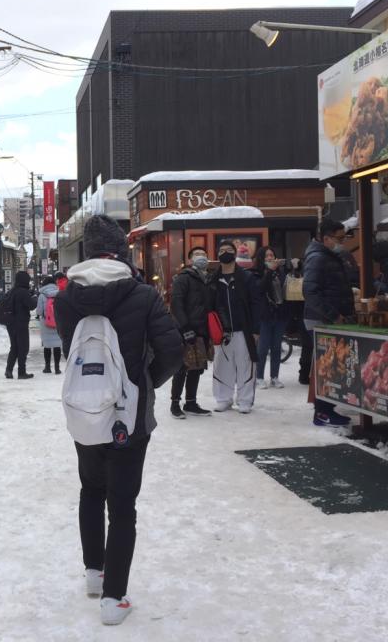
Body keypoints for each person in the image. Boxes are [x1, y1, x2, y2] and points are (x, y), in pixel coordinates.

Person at [54, 214, 183, 626]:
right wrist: (147, 383)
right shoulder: (142, 295)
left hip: (85, 410)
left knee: (90, 489)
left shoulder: (65, 297)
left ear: (87, 251)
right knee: (122, 505)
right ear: (121, 250)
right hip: (129, 416)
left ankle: (95, 575)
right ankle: (114, 600)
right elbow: (173, 352)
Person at [303, 218, 356, 427]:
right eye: (339, 238)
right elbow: (310, 292)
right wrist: (334, 315)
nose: (342, 242)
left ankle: (326, 409)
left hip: (326, 317)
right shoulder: (317, 258)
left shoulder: (328, 255)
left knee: (331, 365)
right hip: (321, 320)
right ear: (326, 238)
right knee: (327, 366)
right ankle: (322, 412)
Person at [213, 240, 263, 413]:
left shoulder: (247, 277)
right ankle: (223, 399)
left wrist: (256, 329)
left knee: (245, 365)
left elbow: (257, 304)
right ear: (217, 255)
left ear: (235, 254)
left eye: (229, 250)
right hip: (221, 332)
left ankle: (245, 400)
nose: (225, 252)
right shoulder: (213, 279)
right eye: (221, 250)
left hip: (244, 329)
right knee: (222, 366)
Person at [168, 246, 214, 418]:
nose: (201, 257)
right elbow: (176, 304)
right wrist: (185, 328)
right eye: (196, 255)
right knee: (182, 368)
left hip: (202, 330)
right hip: (185, 329)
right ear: (189, 260)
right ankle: (174, 404)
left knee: (197, 367)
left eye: (203, 254)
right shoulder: (183, 278)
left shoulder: (208, 278)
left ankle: (191, 403)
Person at [252, 247, 290, 390]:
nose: (270, 257)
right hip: (264, 315)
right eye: (267, 255)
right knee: (262, 349)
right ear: (261, 258)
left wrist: (295, 269)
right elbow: (259, 289)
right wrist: (269, 271)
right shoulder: (256, 273)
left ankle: (275, 377)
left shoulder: (281, 273)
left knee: (276, 348)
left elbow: (288, 288)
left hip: (280, 314)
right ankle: (259, 377)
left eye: (272, 255)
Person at [1, 270, 37, 379]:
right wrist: (35, 298)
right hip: (21, 323)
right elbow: (31, 305)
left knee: (14, 347)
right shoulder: (23, 292)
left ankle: (9, 370)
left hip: (10, 323)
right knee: (23, 347)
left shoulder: (12, 291)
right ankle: (21, 372)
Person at [36, 275, 63, 374]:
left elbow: (39, 311)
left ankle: (47, 367)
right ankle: (57, 368)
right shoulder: (59, 293)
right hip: (58, 322)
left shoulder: (42, 295)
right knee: (57, 345)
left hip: (46, 323)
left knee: (47, 346)